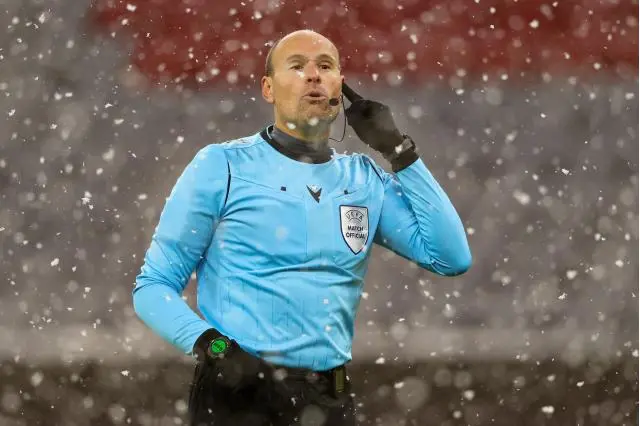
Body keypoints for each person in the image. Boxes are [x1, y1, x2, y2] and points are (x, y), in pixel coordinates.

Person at [133, 29, 472, 426]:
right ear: (268, 89)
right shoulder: (221, 167)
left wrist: (398, 149)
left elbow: (451, 258)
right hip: (237, 397)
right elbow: (152, 287)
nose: (313, 75)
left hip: (329, 400)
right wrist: (217, 348)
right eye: (297, 66)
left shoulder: (363, 179)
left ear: (340, 88)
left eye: (325, 66)